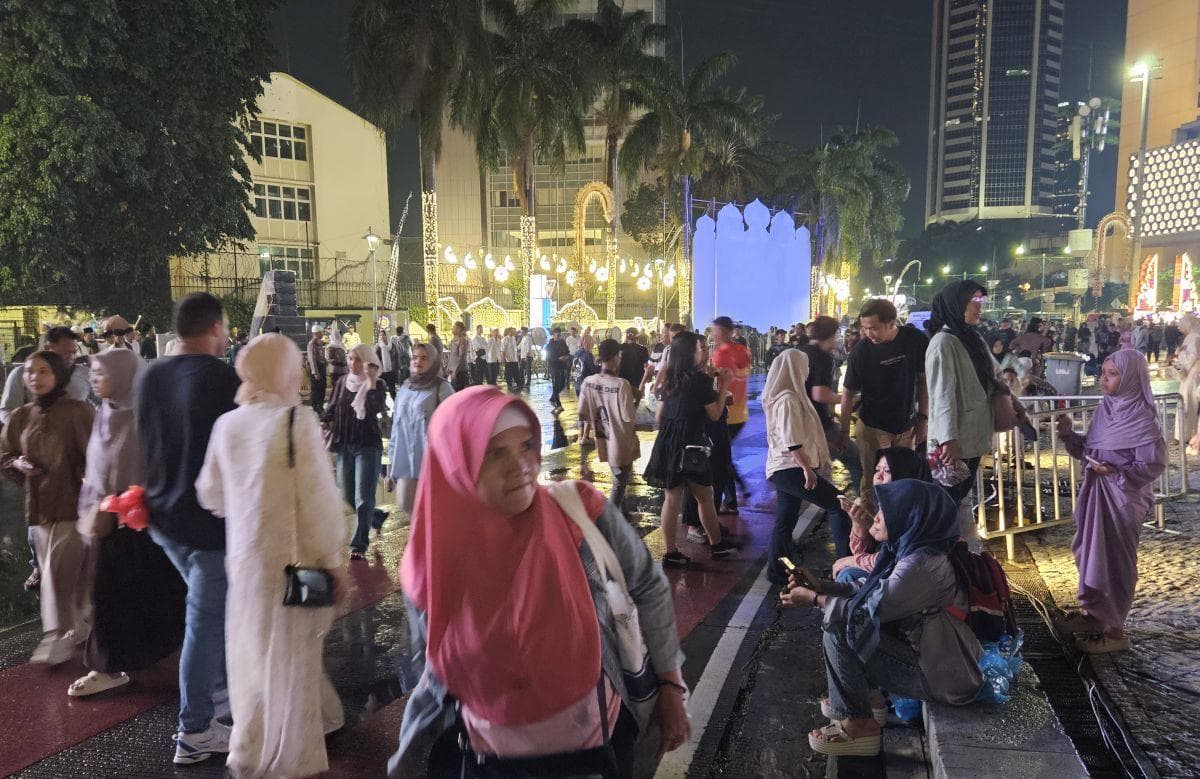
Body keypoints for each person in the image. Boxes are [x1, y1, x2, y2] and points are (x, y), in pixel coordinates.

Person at [389, 387, 689, 776]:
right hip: (491, 758)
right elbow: (435, 669)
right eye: (495, 453)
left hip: (597, 746)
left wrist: (669, 685)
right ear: (456, 465)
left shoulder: (578, 511)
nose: (521, 465)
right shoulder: (435, 558)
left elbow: (647, 587)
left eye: (527, 446)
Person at [196, 333, 346, 777]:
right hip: (291, 563)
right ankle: (290, 758)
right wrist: (333, 561)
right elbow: (318, 503)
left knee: (249, 655)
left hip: (243, 563)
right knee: (291, 660)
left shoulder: (227, 424)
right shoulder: (295, 420)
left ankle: (249, 748)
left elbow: (211, 494)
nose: (299, 374)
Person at [783, 480, 983, 757]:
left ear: (909, 517)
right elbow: (868, 591)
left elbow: (864, 612)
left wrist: (814, 599)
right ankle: (867, 700)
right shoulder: (909, 551)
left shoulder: (920, 565)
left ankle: (858, 724)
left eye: (885, 511)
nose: (876, 516)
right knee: (846, 611)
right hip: (932, 660)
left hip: (942, 677)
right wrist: (822, 587)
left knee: (840, 627)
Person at [137, 292, 240, 764]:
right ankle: (195, 729)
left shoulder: (152, 374)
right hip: (206, 525)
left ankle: (216, 700)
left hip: (161, 517)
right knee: (205, 621)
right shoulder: (222, 378)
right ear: (215, 327)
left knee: (208, 616)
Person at [71, 349, 185, 698]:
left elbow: (164, 467)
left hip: (146, 526)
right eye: (94, 373)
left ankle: (148, 658)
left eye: (102, 373)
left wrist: (138, 498)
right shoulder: (108, 412)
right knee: (109, 597)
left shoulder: (150, 415)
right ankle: (109, 664)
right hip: (111, 526)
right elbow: (98, 469)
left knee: (153, 594)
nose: (95, 380)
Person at [1054, 350, 1166, 653]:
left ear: (1130, 377)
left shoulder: (1142, 417)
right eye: (1103, 371)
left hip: (1123, 501)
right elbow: (1091, 450)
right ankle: (1095, 617)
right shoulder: (1106, 409)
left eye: (1112, 373)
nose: (1104, 378)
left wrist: (1115, 473)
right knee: (1091, 555)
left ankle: (1115, 631)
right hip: (1097, 494)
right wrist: (1069, 437)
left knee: (1116, 562)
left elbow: (1152, 466)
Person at [1, 351, 95, 665]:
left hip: (74, 505)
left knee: (58, 573)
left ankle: (57, 635)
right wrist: (17, 462)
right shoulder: (21, 416)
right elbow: (6, 453)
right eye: (29, 372)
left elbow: (96, 455)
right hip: (39, 507)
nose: (35, 378)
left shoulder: (78, 412)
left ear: (58, 375)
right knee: (59, 573)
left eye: (43, 371)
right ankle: (81, 626)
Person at [643, 331, 739, 566]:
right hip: (692, 444)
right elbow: (715, 415)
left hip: (668, 441)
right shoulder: (700, 380)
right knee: (705, 496)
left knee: (671, 499)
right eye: (700, 348)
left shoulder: (670, 377)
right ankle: (717, 546)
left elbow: (660, 414)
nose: (704, 352)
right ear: (690, 353)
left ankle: (671, 552)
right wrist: (724, 384)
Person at [762, 349, 855, 582]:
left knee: (786, 519)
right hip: (790, 468)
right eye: (805, 366)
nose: (807, 372)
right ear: (794, 368)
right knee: (837, 506)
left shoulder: (789, 396)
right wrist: (806, 468)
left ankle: (777, 570)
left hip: (785, 468)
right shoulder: (788, 399)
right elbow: (792, 441)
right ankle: (846, 565)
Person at [926, 280, 996, 534]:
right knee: (946, 501)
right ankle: (939, 557)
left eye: (982, 301)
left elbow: (992, 376)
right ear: (956, 304)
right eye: (973, 301)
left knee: (957, 499)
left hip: (971, 434)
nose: (979, 308)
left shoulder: (971, 337)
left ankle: (957, 553)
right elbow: (941, 394)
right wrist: (948, 439)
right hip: (954, 441)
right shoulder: (943, 343)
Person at [840, 299, 928, 495]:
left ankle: (896, 522)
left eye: (874, 328)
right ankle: (871, 523)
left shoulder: (914, 340)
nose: (868, 334)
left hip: (906, 426)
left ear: (892, 322)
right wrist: (844, 432)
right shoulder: (861, 352)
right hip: (873, 426)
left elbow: (923, 381)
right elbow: (848, 393)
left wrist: (923, 418)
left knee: (902, 477)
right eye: (864, 328)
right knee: (874, 480)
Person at [322, 343, 387, 560]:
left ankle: (359, 543)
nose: (353, 363)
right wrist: (324, 422)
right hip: (344, 445)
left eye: (358, 359)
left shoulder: (378, 384)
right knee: (347, 494)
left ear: (369, 361)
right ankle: (375, 517)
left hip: (367, 445)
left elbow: (375, 407)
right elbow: (331, 408)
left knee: (363, 496)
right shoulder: (342, 382)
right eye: (350, 358)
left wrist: (370, 381)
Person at [831, 447, 932, 585]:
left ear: (905, 476)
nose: (879, 476)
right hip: (899, 569)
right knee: (848, 572)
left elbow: (895, 558)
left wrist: (849, 561)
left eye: (887, 471)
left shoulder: (914, 508)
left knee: (847, 574)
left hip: (916, 576)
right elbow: (863, 553)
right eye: (877, 470)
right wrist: (858, 523)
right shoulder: (882, 502)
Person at [387, 343, 454, 515]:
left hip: (434, 465)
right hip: (406, 465)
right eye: (415, 357)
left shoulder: (442, 388)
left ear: (433, 361)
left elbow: (455, 426)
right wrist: (390, 469)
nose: (418, 361)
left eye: (424, 358)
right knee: (406, 503)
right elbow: (396, 429)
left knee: (434, 512)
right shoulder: (405, 388)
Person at [578, 339, 640, 512]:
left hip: (602, 437)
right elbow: (629, 417)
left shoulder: (588, 381)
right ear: (615, 357)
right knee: (619, 484)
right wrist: (638, 398)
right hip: (621, 441)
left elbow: (582, 412)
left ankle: (618, 517)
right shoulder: (622, 385)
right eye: (619, 355)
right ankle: (609, 524)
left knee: (618, 480)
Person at [2, 326, 91, 426]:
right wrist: (24, 430)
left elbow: (101, 402)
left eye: (74, 352)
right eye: (66, 352)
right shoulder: (21, 373)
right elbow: (7, 410)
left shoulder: (85, 374)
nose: (71, 357)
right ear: (47, 348)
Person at [710, 316, 752, 513]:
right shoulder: (742, 350)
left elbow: (716, 382)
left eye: (714, 331)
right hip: (740, 412)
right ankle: (733, 496)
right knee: (723, 456)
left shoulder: (721, 353)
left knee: (721, 458)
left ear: (725, 332)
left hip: (725, 412)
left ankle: (731, 499)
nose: (712, 335)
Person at [618, 327, 651, 401]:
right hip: (638, 382)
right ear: (637, 337)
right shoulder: (643, 349)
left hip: (623, 381)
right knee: (637, 405)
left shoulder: (620, 348)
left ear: (626, 336)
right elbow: (646, 367)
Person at [546, 327, 571, 412]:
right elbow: (548, 358)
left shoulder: (563, 342)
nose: (559, 337)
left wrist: (567, 357)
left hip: (563, 366)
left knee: (563, 384)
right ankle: (558, 403)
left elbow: (568, 352)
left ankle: (553, 397)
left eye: (560, 335)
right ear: (553, 335)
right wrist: (558, 359)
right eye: (557, 335)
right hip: (554, 367)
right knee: (556, 385)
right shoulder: (550, 345)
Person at [306, 324, 328, 416]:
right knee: (316, 389)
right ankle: (316, 407)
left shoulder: (320, 343)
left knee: (322, 387)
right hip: (316, 369)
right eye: (321, 332)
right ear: (317, 333)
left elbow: (322, 356)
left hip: (322, 368)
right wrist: (315, 372)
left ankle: (320, 406)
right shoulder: (312, 344)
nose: (323, 333)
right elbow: (312, 359)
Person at [445, 321, 471, 392]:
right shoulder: (454, 339)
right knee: (453, 392)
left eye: (454, 327)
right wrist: (449, 367)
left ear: (459, 329)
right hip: (454, 371)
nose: (452, 328)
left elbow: (461, 357)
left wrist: (455, 371)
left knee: (458, 393)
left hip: (460, 372)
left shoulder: (462, 340)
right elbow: (452, 356)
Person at [377, 327, 403, 396]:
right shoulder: (378, 346)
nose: (382, 336)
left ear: (387, 335)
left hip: (392, 371)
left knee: (392, 390)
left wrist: (398, 368)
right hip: (382, 371)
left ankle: (396, 404)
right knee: (381, 391)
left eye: (383, 335)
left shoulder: (393, 346)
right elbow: (376, 359)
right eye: (381, 335)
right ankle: (383, 405)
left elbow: (397, 357)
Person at [326, 323, 348, 390]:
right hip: (335, 370)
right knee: (336, 387)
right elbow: (328, 359)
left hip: (343, 369)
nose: (339, 336)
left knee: (343, 387)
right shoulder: (330, 347)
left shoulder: (342, 345)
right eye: (337, 335)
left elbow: (345, 355)